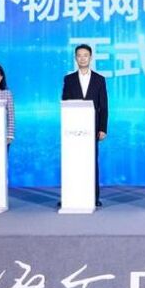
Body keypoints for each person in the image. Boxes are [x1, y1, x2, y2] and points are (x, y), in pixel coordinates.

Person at [62, 44, 108, 207]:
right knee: (73, 162)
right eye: (79, 55)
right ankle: (71, 195)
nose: (82, 58)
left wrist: (102, 128)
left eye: (85, 55)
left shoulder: (99, 79)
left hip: (92, 128)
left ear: (90, 58)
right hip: (73, 129)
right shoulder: (69, 79)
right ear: (75, 58)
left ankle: (93, 197)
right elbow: (65, 103)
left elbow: (104, 106)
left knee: (91, 162)